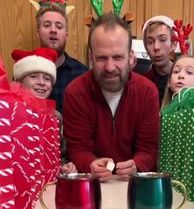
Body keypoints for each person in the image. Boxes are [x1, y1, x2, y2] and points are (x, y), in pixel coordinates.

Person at [63, 12, 159, 181]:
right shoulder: (75, 93)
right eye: (101, 58)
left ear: (130, 57)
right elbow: (78, 149)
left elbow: (149, 150)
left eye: (117, 57)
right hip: (92, 185)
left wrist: (137, 164)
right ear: (91, 57)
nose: (109, 67)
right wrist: (90, 163)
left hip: (134, 185)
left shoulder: (147, 92)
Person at [11, 47, 77, 174]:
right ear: (20, 81)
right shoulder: (8, 113)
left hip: (46, 186)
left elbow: (60, 155)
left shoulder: (55, 117)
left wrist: (65, 166)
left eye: (47, 78)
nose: (41, 82)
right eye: (33, 76)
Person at [35, 2, 88, 113]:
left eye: (59, 26)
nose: (53, 30)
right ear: (38, 34)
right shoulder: (23, 70)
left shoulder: (82, 74)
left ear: (67, 35)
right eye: (47, 25)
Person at [142, 15, 177, 106]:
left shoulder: (185, 78)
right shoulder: (142, 84)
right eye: (150, 42)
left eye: (162, 40)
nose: (156, 47)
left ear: (173, 44)